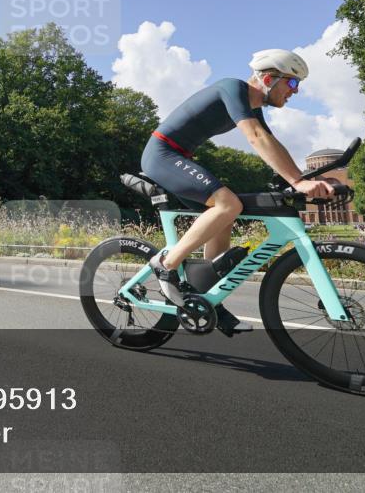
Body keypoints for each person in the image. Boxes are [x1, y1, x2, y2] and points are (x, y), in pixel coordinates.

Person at [143, 49, 336, 335]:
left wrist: (299, 178)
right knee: (227, 204)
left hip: (180, 157)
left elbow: (270, 141)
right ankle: (165, 264)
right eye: (293, 83)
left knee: (226, 213)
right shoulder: (233, 87)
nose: (295, 92)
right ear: (269, 78)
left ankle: (207, 296)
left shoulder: (253, 107)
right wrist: (297, 181)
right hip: (162, 154)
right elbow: (256, 138)